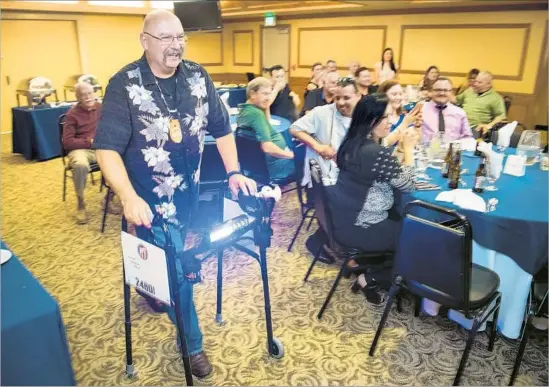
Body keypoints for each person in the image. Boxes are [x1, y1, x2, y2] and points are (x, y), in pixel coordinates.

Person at [93, 9, 256, 378]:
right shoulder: (124, 85)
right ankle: (192, 346)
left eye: (180, 37)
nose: (175, 45)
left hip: (188, 196)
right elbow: (106, 148)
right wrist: (128, 197)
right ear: (145, 41)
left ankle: (153, 285)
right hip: (147, 204)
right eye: (165, 38)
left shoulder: (198, 75)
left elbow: (222, 127)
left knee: (170, 266)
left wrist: (233, 171)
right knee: (179, 271)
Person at [328, 94, 417, 303]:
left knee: (403, 219)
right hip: (363, 227)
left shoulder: (352, 143)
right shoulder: (374, 152)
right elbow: (408, 184)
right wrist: (409, 150)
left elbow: (377, 161)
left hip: (344, 220)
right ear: (370, 121)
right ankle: (372, 277)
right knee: (420, 238)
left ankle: (376, 269)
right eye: (385, 118)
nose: (391, 122)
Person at [290, 77, 362, 187]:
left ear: (358, 96)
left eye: (346, 98)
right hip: (325, 178)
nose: (341, 103)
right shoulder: (322, 112)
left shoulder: (365, 115)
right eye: (337, 98)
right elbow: (294, 129)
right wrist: (317, 146)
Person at [237, 77, 295, 180]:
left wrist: (265, 104)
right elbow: (267, 147)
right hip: (276, 167)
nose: (268, 98)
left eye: (269, 94)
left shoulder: (245, 110)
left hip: (259, 167)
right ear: (252, 94)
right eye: (265, 94)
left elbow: (267, 122)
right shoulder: (256, 114)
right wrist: (291, 155)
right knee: (309, 157)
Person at [62, 82, 101, 224]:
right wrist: (89, 142)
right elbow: (67, 142)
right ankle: (81, 203)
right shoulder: (72, 114)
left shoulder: (101, 108)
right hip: (80, 149)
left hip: (100, 147)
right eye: (83, 95)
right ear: (78, 97)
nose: (88, 97)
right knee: (80, 165)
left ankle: (111, 196)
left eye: (90, 93)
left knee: (123, 156)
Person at [455, 70, 506, 137]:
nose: (475, 84)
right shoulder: (469, 91)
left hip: (477, 129)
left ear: (488, 84)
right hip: (460, 125)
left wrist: (489, 125)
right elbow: (456, 100)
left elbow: (501, 117)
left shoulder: (496, 98)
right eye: (476, 81)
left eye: (479, 82)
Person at [421, 77, 472, 143]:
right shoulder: (421, 110)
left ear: (451, 92)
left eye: (445, 90)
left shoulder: (460, 113)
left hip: (452, 151)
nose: (442, 93)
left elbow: (467, 137)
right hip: (425, 151)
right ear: (431, 92)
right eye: (438, 90)